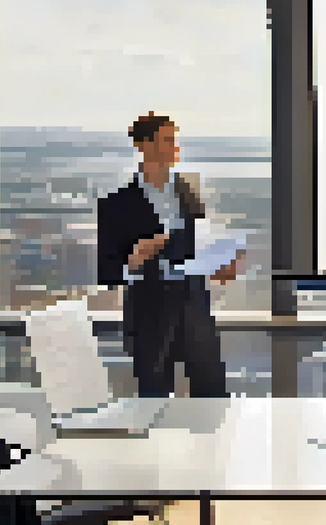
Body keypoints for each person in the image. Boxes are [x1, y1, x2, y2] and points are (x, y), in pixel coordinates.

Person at [96, 113, 243, 398]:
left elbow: (198, 246)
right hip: (149, 314)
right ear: (145, 145)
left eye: (174, 140)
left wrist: (220, 266)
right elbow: (107, 270)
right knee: (154, 400)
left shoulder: (188, 192)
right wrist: (135, 260)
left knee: (212, 395)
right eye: (167, 140)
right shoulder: (116, 205)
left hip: (195, 308)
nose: (175, 147)